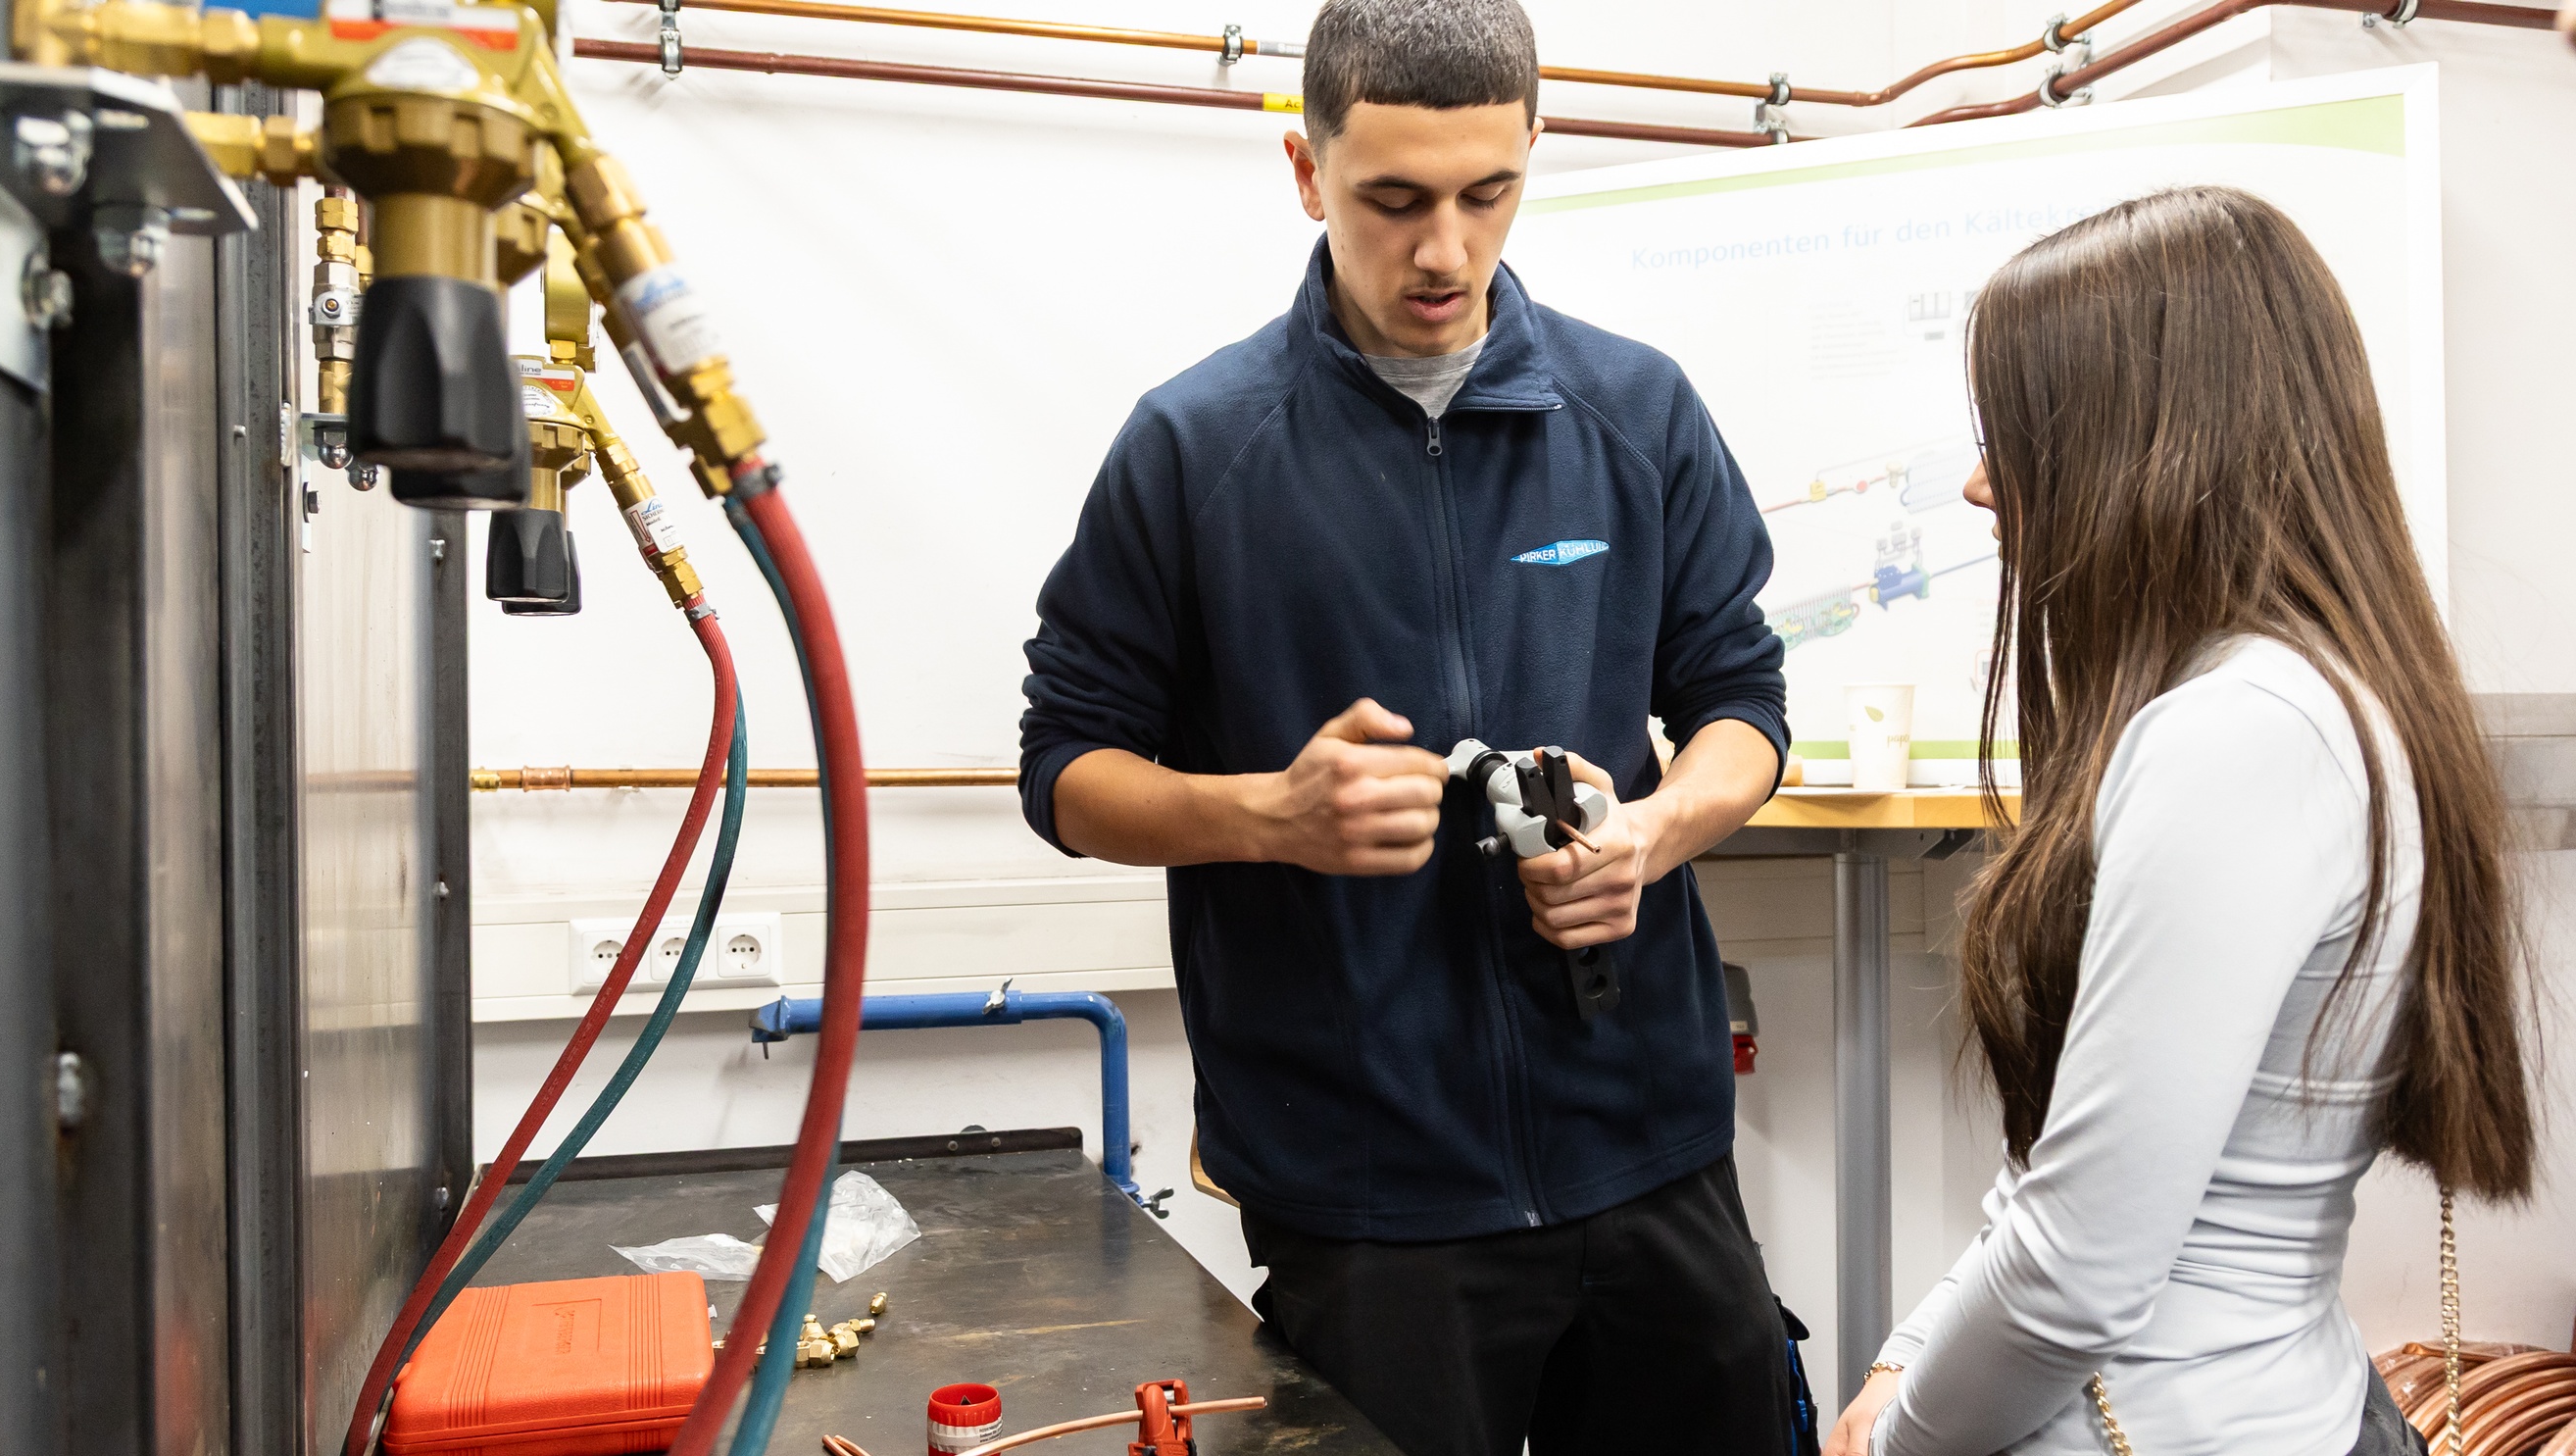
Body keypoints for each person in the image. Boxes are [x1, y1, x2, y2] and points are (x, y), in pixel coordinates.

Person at [1016, 0, 1800, 1450]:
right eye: (1395, 200)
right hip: (1366, 1192)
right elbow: (1066, 769)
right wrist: (1268, 815)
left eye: (1485, 193)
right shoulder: (1194, 448)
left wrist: (1652, 829)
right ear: (1307, 175)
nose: (1444, 250)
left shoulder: (1635, 411)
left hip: (1647, 1152)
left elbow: (1740, 701)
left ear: (1529, 154)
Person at [1822, 186, 2534, 1456]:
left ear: (2143, 442)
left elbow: (2075, 1268)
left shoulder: (2237, 734)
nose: (1983, 486)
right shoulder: (2290, 700)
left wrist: (1898, 1440)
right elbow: (2081, 1158)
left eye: (2015, 434)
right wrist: (1912, 1349)